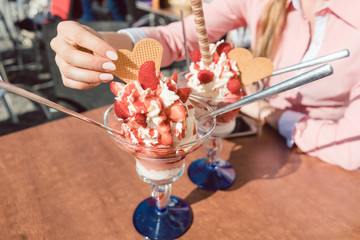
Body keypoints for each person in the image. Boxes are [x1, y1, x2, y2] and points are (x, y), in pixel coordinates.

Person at [50, 0, 360, 170]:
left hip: (318, 163)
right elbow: (174, 38)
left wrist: (268, 113)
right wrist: (106, 47)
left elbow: (351, 149)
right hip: (254, 142)